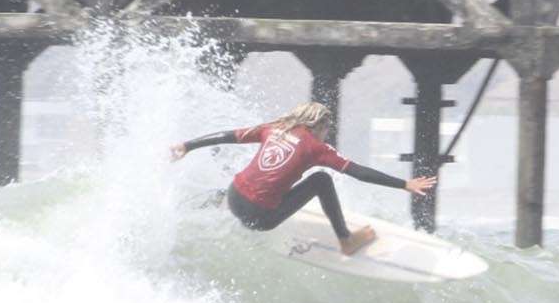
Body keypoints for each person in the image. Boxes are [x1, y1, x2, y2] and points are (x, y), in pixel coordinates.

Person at [170, 102, 436, 256]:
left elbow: (229, 135)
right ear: (319, 126)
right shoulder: (315, 147)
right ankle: (346, 240)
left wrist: (187, 145)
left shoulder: (273, 128)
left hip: (234, 197)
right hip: (258, 219)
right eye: (327, 129)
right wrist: (405, 184)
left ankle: (199, 205)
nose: (327, 134)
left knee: (247, 178)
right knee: (321, 179)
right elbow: (358, 172)